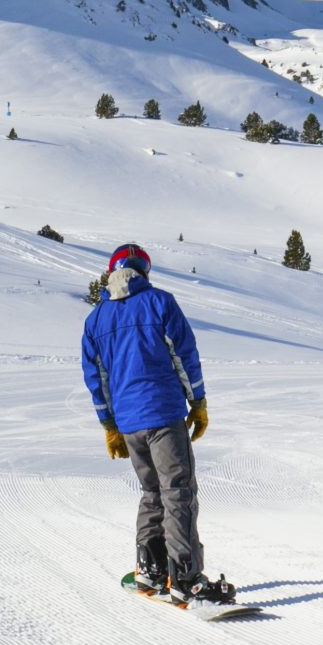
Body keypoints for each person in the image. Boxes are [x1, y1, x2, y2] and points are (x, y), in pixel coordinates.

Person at [81, 242, 234, 604]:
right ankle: (186, 578)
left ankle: (150, 571)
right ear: (143, 272)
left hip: (130, 424)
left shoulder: (95, 319)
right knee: (178, 493)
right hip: (164, 416)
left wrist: (110, 426)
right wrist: (198, 402)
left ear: (112, 272)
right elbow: (185, 356)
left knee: (152, 494)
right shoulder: (160, 302)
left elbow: (97, 380)